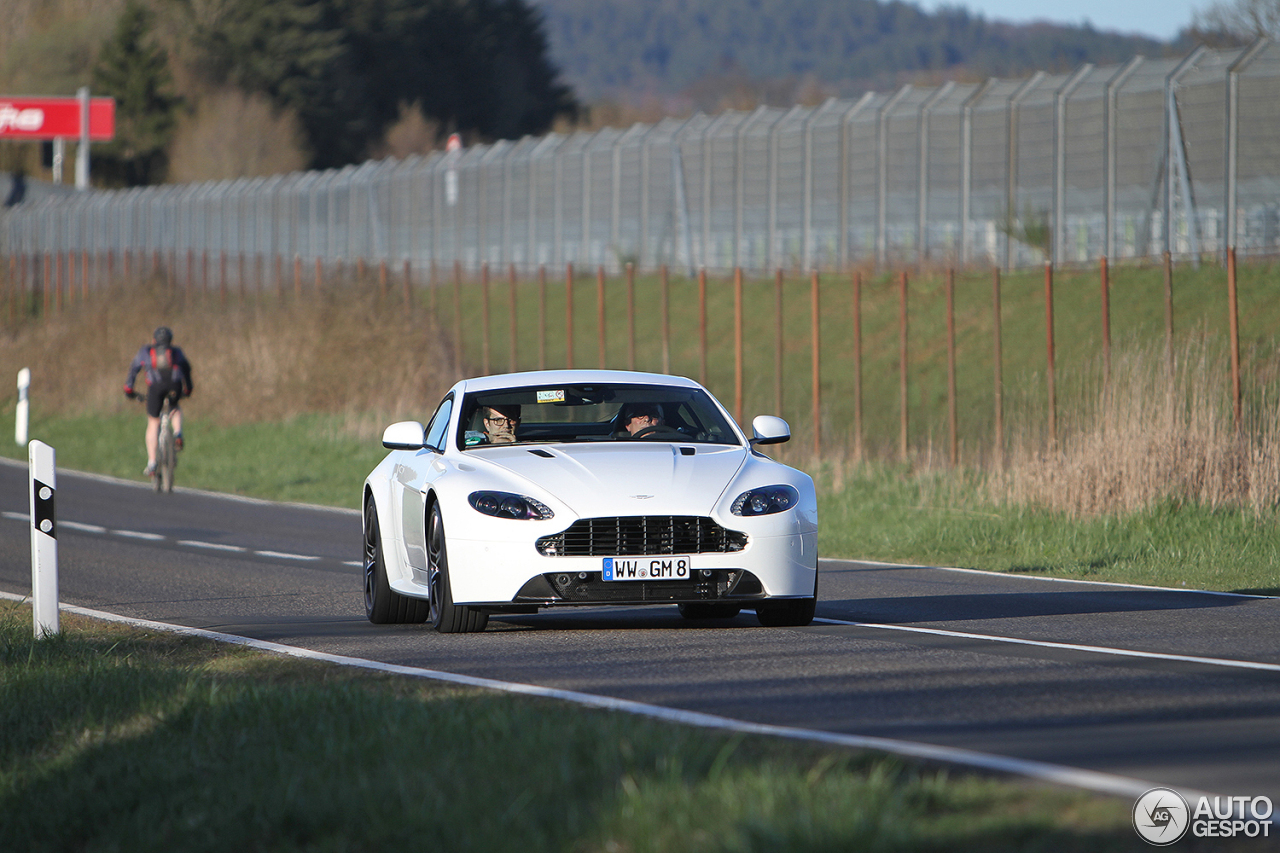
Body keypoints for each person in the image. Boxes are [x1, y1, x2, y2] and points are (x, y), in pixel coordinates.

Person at [123, 326, 193, 477]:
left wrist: (129, 390)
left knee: (154, 422)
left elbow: (134, 369)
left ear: (154, 340)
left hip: (155, 388)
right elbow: (187, 369)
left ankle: (152, 463)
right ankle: (178, 434)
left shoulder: (146, 351)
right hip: (175, 385)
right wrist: (188, 389)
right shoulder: (176, 352)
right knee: (174, 407)